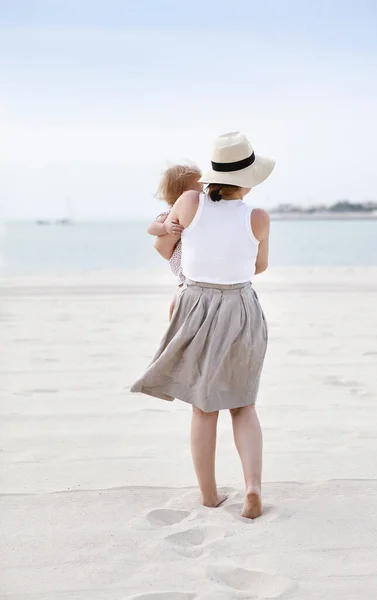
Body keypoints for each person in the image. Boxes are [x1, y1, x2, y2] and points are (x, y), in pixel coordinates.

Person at [131, 132, 274, 519]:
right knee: (243, 405)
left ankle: (209, 495)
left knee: (203, 408)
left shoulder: (190, 201)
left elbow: (166, 242)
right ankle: (252, 488)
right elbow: (259, 267)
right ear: (247, 179)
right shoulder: (257, 217)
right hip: (241, 307)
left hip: (195, 303)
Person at [147, 164, 202, 319]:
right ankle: (174, 318)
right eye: (198, 191)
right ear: (181, 194)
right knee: (181, 291)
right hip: (181, 261)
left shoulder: (198, 213)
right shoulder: (168, 214)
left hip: (190, 260)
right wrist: (165, 227)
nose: (202, 195)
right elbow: (151, 228)